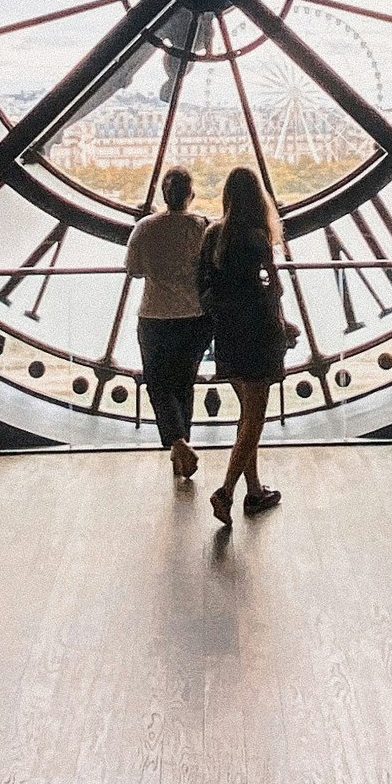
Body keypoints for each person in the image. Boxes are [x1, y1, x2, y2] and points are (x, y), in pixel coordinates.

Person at [195, 166, 295, 524]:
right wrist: (282, 323)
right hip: (260, 337)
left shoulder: (213, 235)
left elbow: (204, 287)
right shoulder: (257, 238)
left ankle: (253, 490)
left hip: (230, 337)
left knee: (246, 418)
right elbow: (273, 290)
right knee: (254, 420)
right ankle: (227, 492)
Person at [126, 168, 213, 478]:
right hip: (194, 318)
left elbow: (134, 269)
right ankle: (182, 445)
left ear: (163, 194)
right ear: (191, 195)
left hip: (155, 317)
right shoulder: (202, 227)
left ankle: (178, 444)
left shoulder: (145, 228)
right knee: (183, 384)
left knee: (160, 386)